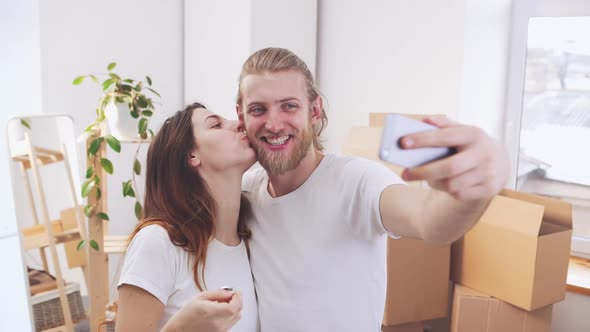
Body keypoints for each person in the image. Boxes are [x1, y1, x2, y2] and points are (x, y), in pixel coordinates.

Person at [233, 47, 509, 331]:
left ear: (315, 110)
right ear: (240, 115)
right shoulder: (245, 192)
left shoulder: (357, 180)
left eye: (289, 106)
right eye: (258, 109)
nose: (274, 124)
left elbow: (429, 221)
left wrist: (472, 193)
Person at [115, 103, 260, 332]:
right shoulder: (158, 242)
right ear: (192, 155)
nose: (239, 123)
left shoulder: (253, 241)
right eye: (216, 124)